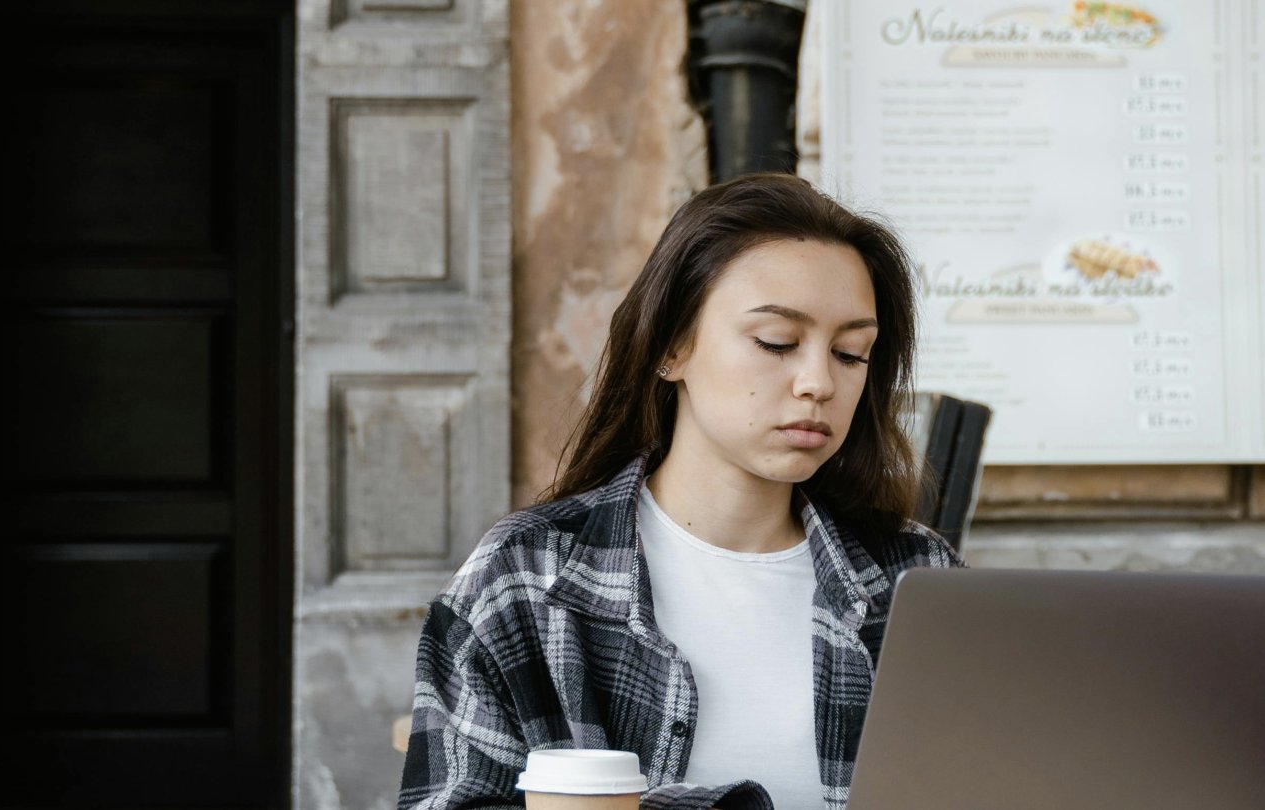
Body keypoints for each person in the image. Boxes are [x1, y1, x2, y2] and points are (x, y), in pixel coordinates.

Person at [397, 173, 967, 810]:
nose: (818, 382)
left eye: (851, 353)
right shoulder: (526, 578)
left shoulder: (918, 578)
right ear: (672, 345)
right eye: (776, 342)